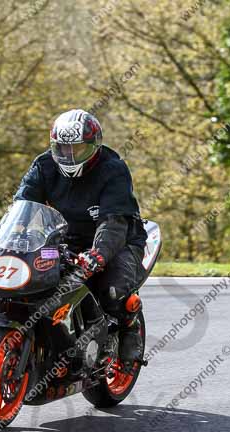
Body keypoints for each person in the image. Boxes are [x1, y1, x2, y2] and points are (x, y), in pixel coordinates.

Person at [14, 109, 148, 371]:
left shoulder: (113, 169)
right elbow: (23, 204)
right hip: (66, 238)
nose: (69, 155)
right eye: (62, 148)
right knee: (31, 283)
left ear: (94, 146)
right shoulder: (44, 165)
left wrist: (97, 254)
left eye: (78, 149)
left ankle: (129, 324)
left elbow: (113, 222)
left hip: (119, 241)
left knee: (111, 291)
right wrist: (8, 236)